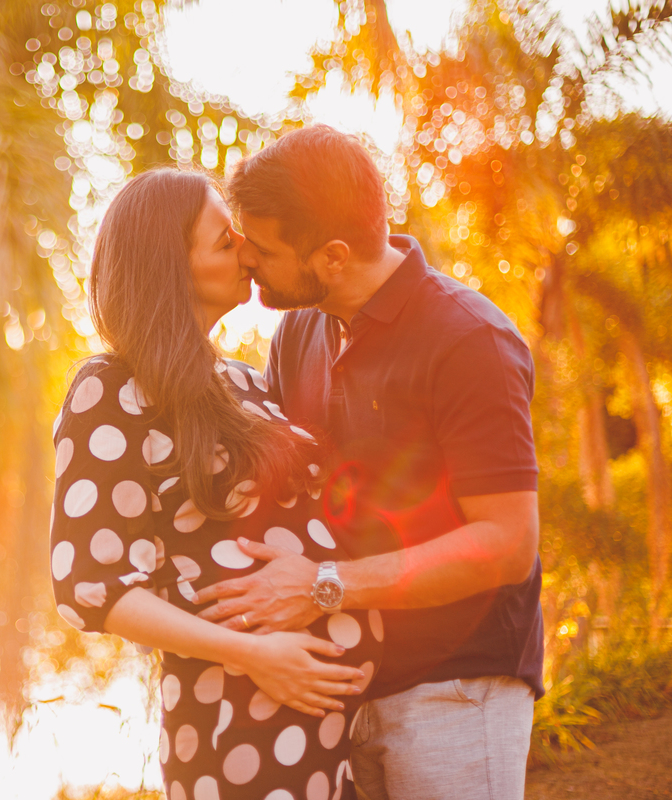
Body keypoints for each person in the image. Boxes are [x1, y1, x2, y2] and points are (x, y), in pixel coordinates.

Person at [194, 124, 543, 800]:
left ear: (331, 257)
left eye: (260, 249)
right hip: (344, 681)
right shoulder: (300, 331)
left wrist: (326, 586)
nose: (248, 262)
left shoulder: (470, 340)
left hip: (457, 687)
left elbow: (508, 543)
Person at [49, 169, 383, 800]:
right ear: (171, 267)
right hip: (240, 714)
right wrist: (251, 655)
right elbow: (92, 585)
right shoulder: (111, 389)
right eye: (224, 241)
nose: (246, 252)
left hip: (323, 711)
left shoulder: (245, 381)